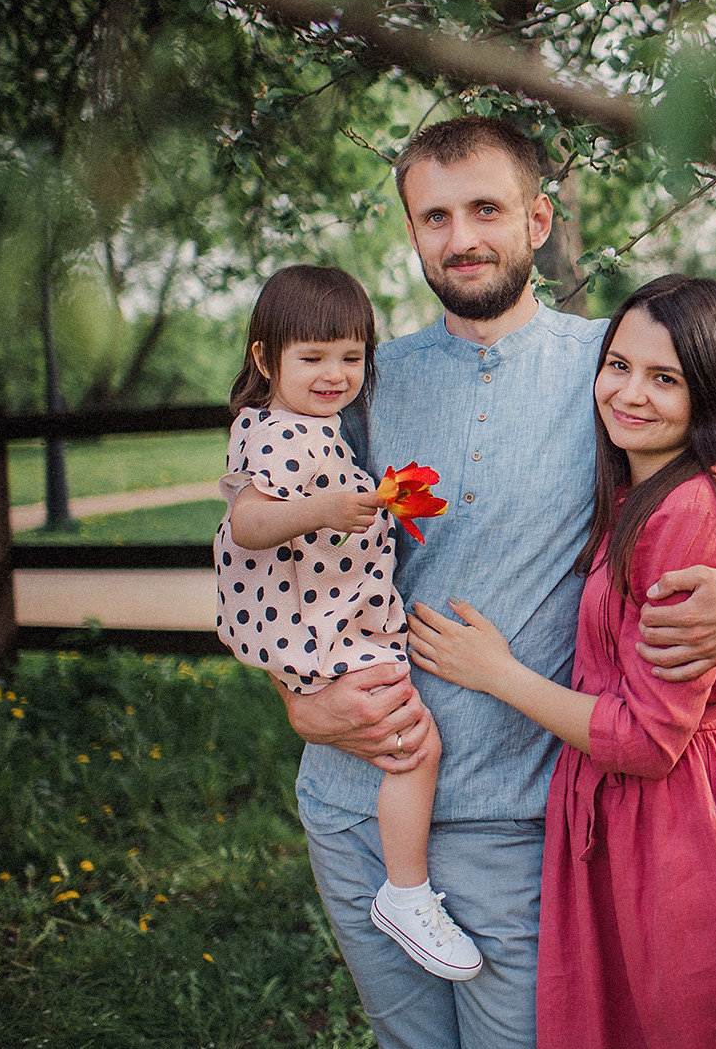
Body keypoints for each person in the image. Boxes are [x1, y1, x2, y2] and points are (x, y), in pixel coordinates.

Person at [273, 117, 716, 1049]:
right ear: (412, 232)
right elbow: (270, 560)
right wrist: (297, 698)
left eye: (486, 209)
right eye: (436, 216)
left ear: (537, 219)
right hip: (353, 802)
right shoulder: (363, 382)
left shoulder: (618, 369)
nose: (462, 237)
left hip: (516, 817)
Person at [409, 275, 716, 1048]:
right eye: (618, 365)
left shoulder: (691, 509)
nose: (630, 393)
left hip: (688, 825)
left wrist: (496, 672)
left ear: (710, 394)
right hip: (645, 818)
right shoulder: (640, 491)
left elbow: (648, 738)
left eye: (665, 378)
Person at [215, 264, 482, 981]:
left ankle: (405, 889)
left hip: (334, 614)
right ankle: (406, 893)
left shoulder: (316, 425)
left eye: (351, 357)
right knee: (415, 745)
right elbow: (248, 522)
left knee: (407, 741)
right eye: (312, 358)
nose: (335, 374)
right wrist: (325, 508)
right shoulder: (271, 432)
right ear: (264, 358)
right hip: (318, 628)